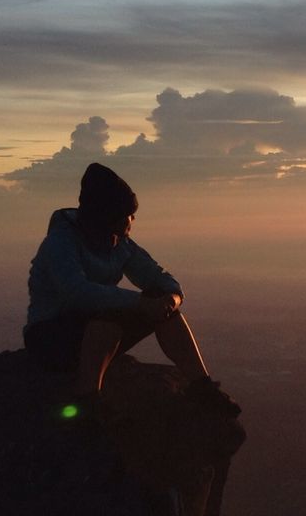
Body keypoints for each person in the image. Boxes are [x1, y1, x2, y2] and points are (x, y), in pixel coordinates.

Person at [24, 162, 239, 418]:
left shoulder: (119, 244)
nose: (132, 220)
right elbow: (77, 294)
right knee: (108, 320)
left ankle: (202, 387)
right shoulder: (60, 243)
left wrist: (171, 299)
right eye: (128, 214)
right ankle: (87, 398)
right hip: (50, 336)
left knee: (161, 311)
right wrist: (140, 303)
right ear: (109, 216)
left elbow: (159, 278)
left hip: (93, 330)